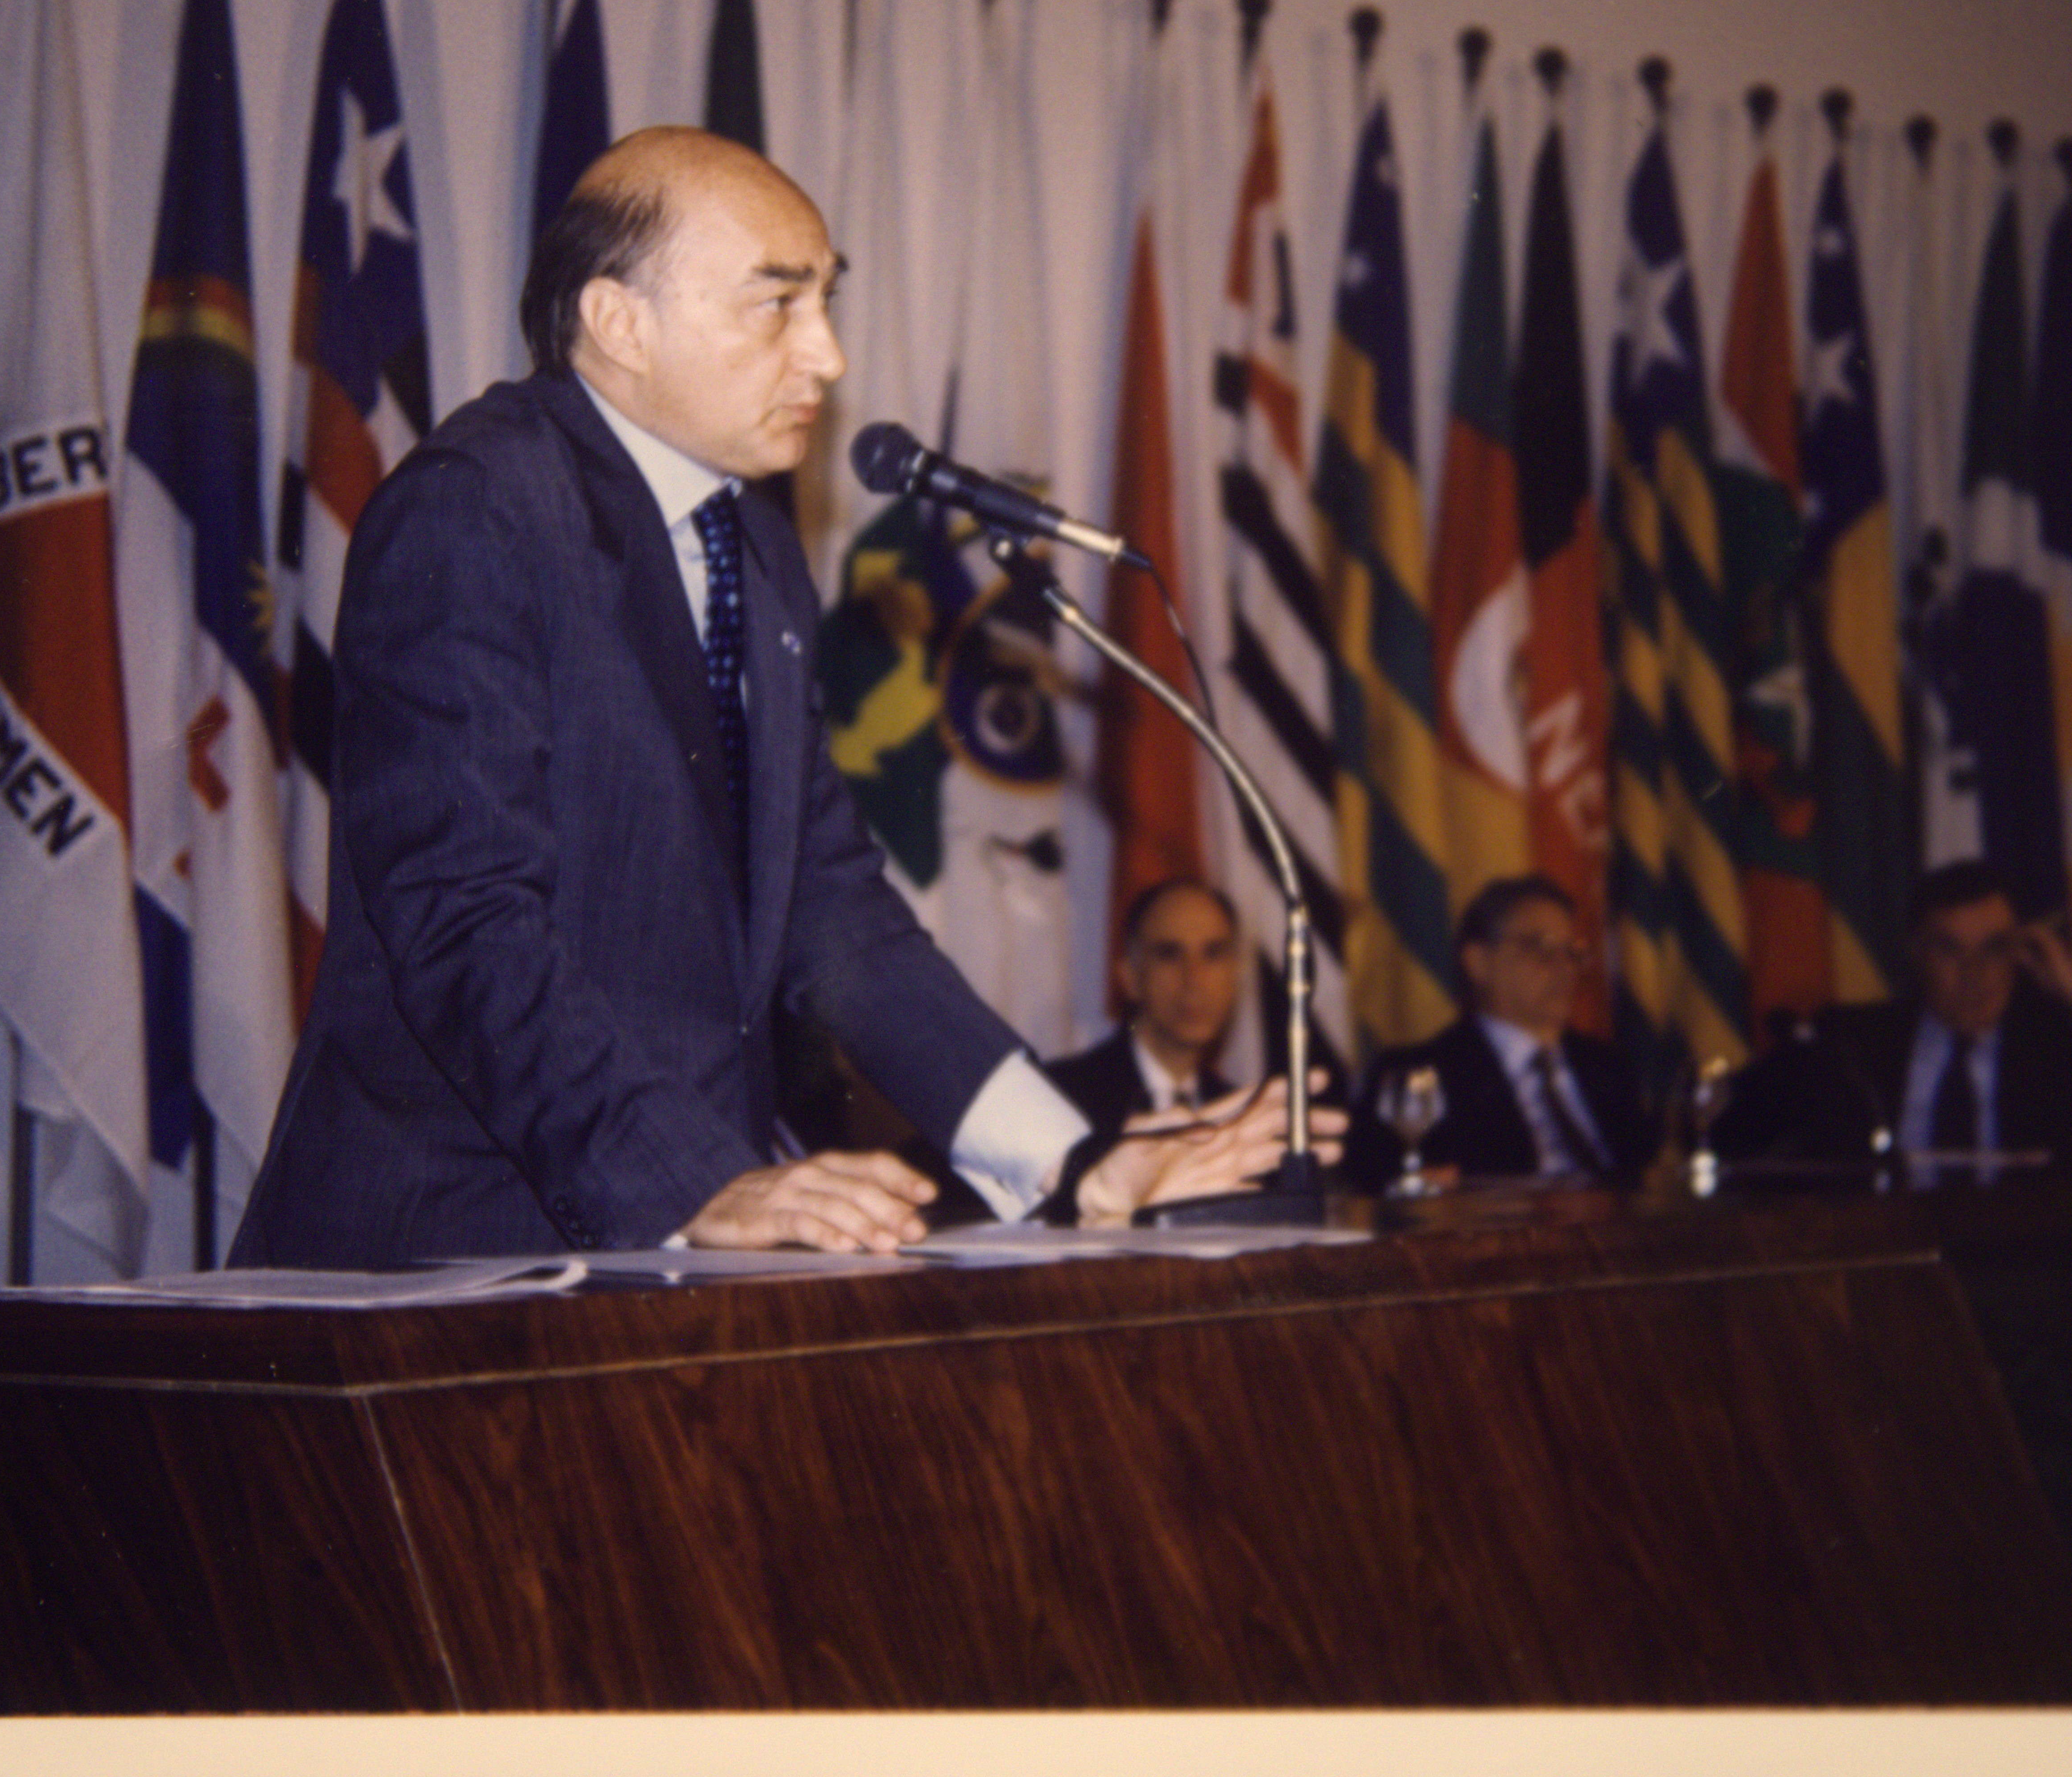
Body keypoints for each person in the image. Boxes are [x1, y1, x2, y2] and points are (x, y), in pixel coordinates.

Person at [230, 128, 1326, 1266]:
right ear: (619, 324)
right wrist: (698, 1183)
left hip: (667, 1262)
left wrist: (1076, 1162)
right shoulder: (479, 510)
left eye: (828, 301)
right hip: (444, 1257)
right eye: (778, 305)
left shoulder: (748, 535)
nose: (831, 357)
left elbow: (831, 907)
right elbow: (465, 916)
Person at [1708, 860, 2072, 1167]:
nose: (1974, 974)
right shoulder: (1851, 1043)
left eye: (1995, 949)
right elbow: (1734, 1131)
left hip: (2029, 1270)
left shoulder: (2056, 1048)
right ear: (1916, 954)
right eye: (1950, 950)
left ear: (2021, 953)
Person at [1346, 876, 1652, 1190]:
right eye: (1542, 948)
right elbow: (1380, 1185)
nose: (1564, 967)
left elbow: (1649, 1174)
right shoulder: (1417, 1075)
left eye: (1572, 952)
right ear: (1478, 961)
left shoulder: (1609, 1067)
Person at [1041, 878, 1247, 1129]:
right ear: (1130, 976)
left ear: (1235, 975)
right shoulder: (1059, 1100)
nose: (1195, 978)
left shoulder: (1242, 1115)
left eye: (1213, 953)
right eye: (1169, 954)